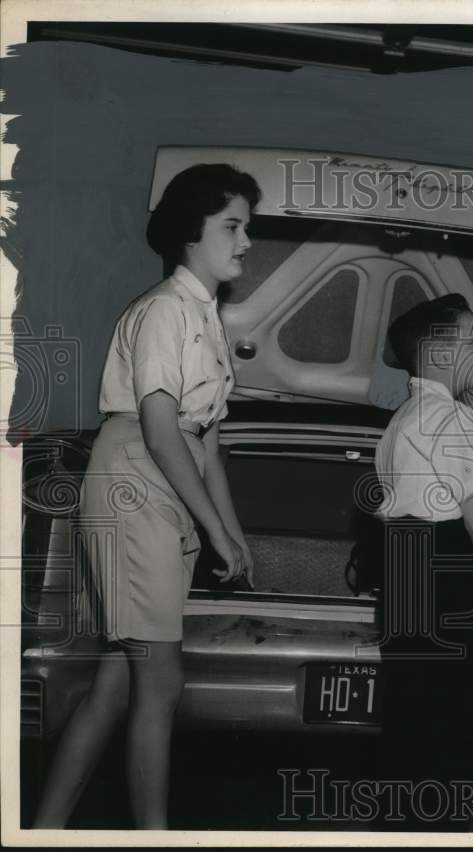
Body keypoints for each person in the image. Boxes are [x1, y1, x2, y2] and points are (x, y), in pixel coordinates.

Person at [33, 163, 260, 829]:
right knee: (160, 678)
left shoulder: (206, 318)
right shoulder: (164, 309)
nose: (247, 241)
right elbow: (163, 431)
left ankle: (43, 830)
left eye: (248, 226)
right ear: (192, 232)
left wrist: (232, 530)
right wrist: (213, 531)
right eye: (233, 225)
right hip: (138, 469)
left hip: (169, 471)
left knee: (121, 674)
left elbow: (206, 445)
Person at [373, 294, 473, 827]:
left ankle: (396, 826)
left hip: (400, 572)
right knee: (448, 715)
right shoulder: (452, 416)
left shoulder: (400, 420)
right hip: (441, 573)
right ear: (438, 353)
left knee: (408, 715)